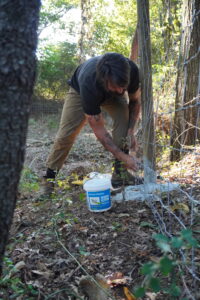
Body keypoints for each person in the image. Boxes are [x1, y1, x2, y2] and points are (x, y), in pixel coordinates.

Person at [43, 52, 142, 192]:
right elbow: (100, 132)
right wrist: (125, 157)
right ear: (104, 79)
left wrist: (131, 131)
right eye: (116, 86)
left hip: (110, 96)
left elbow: (135, 101)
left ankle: (120, 174)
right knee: (66, 135)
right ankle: (49, 180)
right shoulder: (89, 81)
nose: (121, 90)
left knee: (125, 125)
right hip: (80, 92)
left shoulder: (132, 71)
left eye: (123, 86)